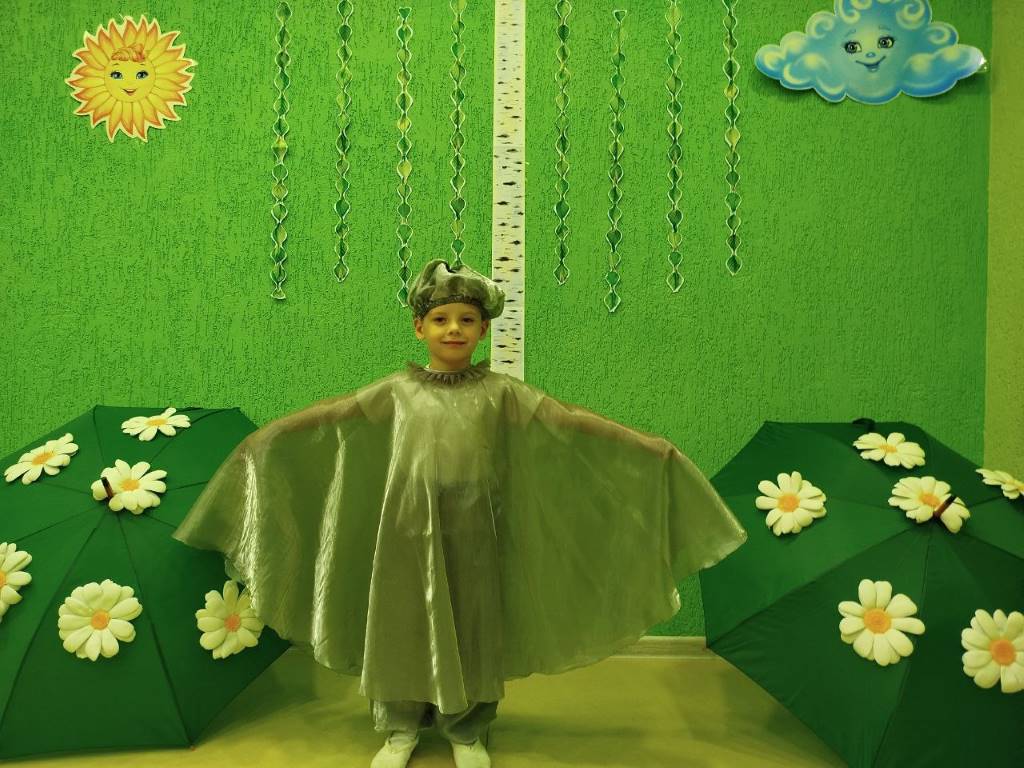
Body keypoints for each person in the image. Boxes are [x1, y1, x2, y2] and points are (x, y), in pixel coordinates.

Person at [172, 259, 748, 768]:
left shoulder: (501, 393)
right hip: (403, 528)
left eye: (466, 320)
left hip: (475, 527)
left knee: (473, 622)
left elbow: (568, 422)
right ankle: (400, 725)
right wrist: (269, 438)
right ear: (419, 327)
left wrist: (644, 446)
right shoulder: (397, 392)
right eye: (441, 319)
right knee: (400, 621)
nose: (454, 329)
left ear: (483, 330)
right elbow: (334, 416)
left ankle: (466, 727)